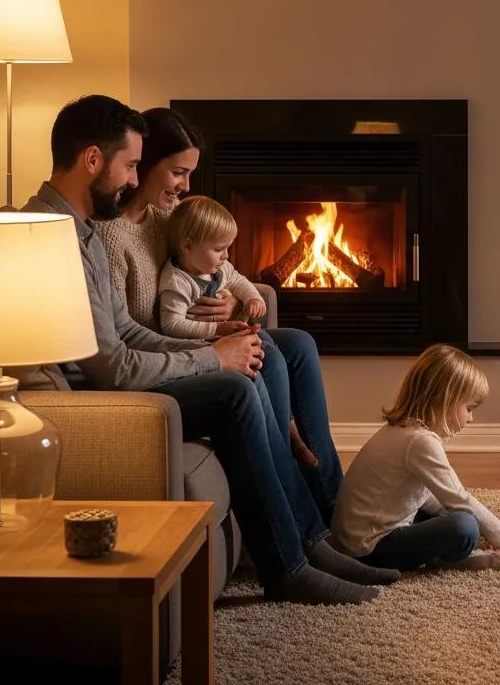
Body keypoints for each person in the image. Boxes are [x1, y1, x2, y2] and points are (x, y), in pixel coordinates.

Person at [24, 94, 397, 604]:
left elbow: (127, 334)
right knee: (233, 391)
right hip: (105, 402)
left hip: (120, 375)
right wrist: (212, 357)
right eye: (131, 165)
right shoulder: (46, 236)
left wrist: (220, 341)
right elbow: (112, 366)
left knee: (249, 360)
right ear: (93, 159)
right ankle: (286, 567)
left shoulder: (81, 231)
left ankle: (311, 540)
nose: (135, 179)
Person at [95, 106, 337, 512]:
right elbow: (127, 338)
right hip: (169, 352)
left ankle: (337, 501)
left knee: (299, 342)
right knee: (270, 356)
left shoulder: (168, 216)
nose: (185, 186)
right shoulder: (109, 238)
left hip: (197, 334)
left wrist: (233, 299)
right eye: (177, 172)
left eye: (189, 174)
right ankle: (307, 505)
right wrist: (212, 342)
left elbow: (217, 265)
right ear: (145, 162)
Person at [331, 344, 500, 571]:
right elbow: (458, 498)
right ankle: (443, 561)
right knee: (465, 527)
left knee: (476, 516)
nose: (471, 418)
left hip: (357, 539)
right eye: (469, 407)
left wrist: (491, 526)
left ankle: (452, 542)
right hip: (369, 550)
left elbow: (423, 497)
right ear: (445, 400)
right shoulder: (420, 441)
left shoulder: (401, 430)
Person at [158, 194, 267, 338]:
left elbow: (238, 281)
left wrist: (253, 298)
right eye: (218, 249)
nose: (226, 255)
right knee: (271, 354)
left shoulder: (220, 267)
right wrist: (217, 328)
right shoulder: (177, 282)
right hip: (208, 346)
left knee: (298, 340)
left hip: (230, 335)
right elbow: (171, 325)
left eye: (227, 248)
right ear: (188, 246)